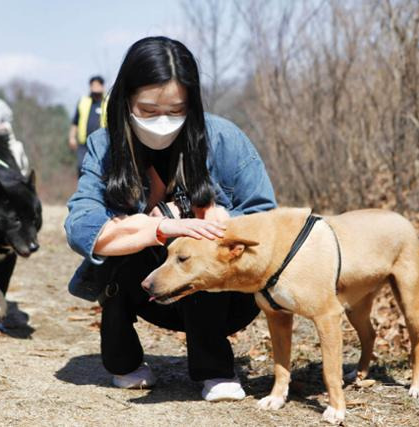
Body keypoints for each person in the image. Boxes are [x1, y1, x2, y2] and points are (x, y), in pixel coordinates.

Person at [64, 36, 276, 401]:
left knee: (201, 244)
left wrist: (222, 222)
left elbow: (267, 217)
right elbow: (81, 227)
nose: (162, 121)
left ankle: (215, 369)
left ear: (191, 104)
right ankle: (123, 360)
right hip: (146, 287)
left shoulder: (224, 138)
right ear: (125, 100)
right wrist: (160, 226)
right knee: (118, 247)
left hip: (223, 298)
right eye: (147, 110)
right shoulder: (105, 146)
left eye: (176, 109)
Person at [68, 76, 105, 175]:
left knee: (99, 170)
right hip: (83, 144)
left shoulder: (107, 102)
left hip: (101, 144)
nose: (95, 87)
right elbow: (75, 122)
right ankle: (83, 189)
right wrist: (72, 137)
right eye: (93, 85)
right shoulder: (83, 101)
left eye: (98, 85)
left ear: (102, 86)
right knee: (81, 167)